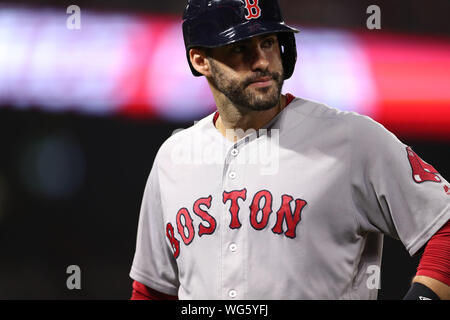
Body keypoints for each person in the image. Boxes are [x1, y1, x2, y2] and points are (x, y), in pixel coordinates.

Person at [129, 0, 449, 300]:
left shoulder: (352, 138)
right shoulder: (173, 156)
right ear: (200, 59)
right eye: (241, 47)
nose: (262, 61)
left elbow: (444, 227)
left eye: (267, 42)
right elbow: (152, 289)